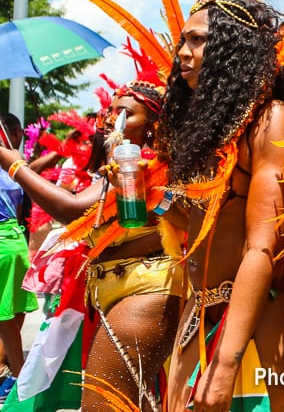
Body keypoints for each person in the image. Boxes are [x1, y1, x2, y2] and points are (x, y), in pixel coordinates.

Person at [0, 80, 183, 412]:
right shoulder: (117, 167)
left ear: (154, 126)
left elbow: (71, 210)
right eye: (112, 112)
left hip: (144, 293)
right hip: (116, 294)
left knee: (102, 404)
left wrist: (13, 163)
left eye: (127, 113)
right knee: (130, 402)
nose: (115, 121)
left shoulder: (145, 165)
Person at [158, 0, 284, 411]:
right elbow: (200, 226)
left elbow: (262, 246)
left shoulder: (269, 121)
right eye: (182, 40)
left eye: (198, 41)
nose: (183, 52)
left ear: (232, 49)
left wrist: (224, 365)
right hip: (197, 319)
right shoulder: (208, 129)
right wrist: (153, 199)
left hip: (251, 326)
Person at [0, 114, 38, 403]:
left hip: (7, 243)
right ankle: (16, 377)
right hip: (14, 241)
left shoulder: (12, 164)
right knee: (10, 315)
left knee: (6, 316)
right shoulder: (13, 164)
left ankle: (17, 378)